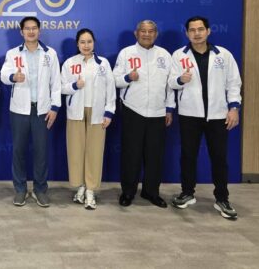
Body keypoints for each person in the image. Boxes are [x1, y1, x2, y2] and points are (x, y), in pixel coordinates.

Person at [169, 16, 242, 220]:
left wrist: (234, 108)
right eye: (192, 30)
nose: (197, 33)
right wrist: (180, 79)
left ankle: (222, 198)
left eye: (200, 29)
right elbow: (171, 82)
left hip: (218, 115)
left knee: (219, 157)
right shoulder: (179, 55)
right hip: (189, 114)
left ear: (208, 31)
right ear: (187, 33)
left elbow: (234, 83)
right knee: (188, 156)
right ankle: (187, 193)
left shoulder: (223, 55)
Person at [113, 20, 175, 208]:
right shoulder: (126, 53)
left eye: (150, 31)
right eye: (143, 31)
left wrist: (169, 109)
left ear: (156, 34)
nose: (146, 34)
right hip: (133, 110)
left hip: (158, 112)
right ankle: (128, 192)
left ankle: (151, 192)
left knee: (154, 155)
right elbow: (114, 80)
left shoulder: (164, 55)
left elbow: (170, 85)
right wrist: (128, 77)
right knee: (131, 154)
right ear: (136, 33)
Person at [0, 16, 61, 207]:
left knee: (41, 152)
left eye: (34, 28)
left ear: (39, 31)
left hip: (42, 110)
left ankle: (40, 190)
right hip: (19, 110)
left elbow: (56, 83)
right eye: (27, 28)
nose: (31, 31)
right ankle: (20, 189)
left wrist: (55, 107)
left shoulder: (50, 54)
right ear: (22, 32)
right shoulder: (13, 53)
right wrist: (13, 77)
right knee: (18, 151)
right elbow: (3, 75)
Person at [61, 28, 115, 210]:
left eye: (89, 42)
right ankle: (80, 186)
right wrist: (75, 85)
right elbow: (61, 87)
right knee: (76, 150)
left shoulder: (103, 64)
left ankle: (91, 190)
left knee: (94, 151)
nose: (86, 45)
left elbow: (110, 89)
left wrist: (109, 112)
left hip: (97, 113)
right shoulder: (69, 63)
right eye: (82, 42)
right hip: (75, 112)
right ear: (77, 44)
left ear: (94, 43)